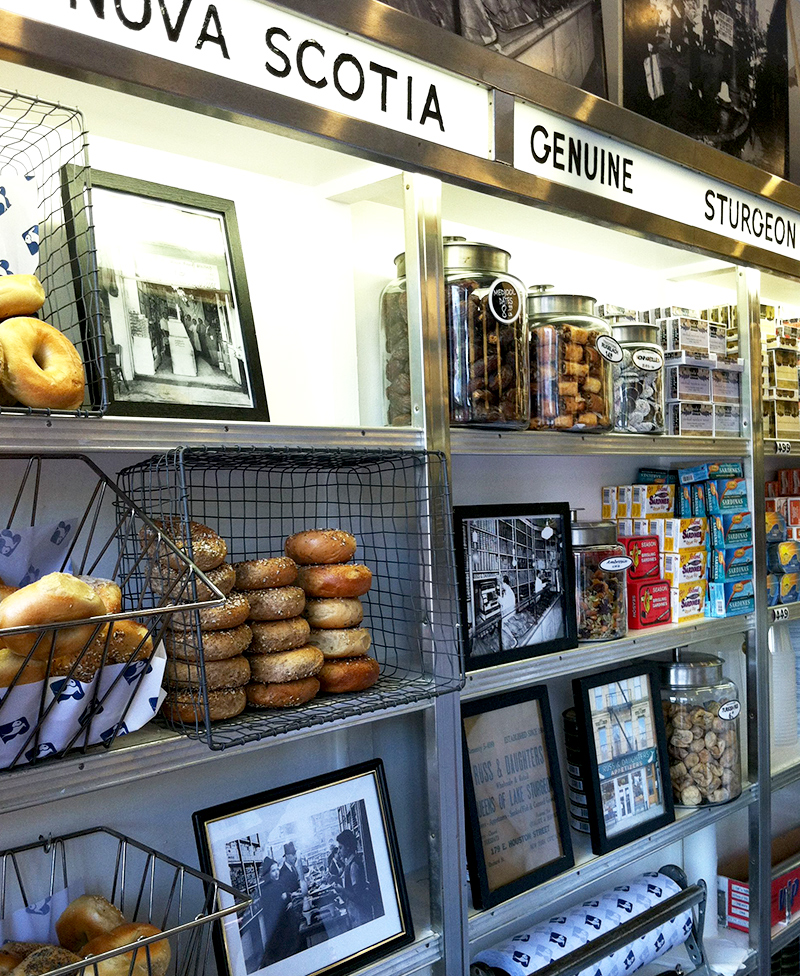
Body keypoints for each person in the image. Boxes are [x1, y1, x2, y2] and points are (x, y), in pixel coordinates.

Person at [257, 856, 294, 966]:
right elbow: (281, 905)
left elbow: (287, 895)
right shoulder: (268, 889)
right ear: (267, 873)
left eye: (277, 869)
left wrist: (287, 898)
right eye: (273, 871)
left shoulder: (275, 884)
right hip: (280, 931)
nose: (277, 872)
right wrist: (287, 899)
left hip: (283, 927)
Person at [335, 829, 376, 928]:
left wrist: (341, 889)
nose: (338, 851)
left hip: (361, 915)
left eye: (340, 848)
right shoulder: (349, 863)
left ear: (348, 847)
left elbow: (357, 896)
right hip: (355, 912)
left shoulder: (353, 865)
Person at [498, 575, 517, 649]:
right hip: (508, 613)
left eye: (502, 583)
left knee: (505, 628)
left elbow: (503, 602)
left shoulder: (508, 592)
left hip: (508, 614)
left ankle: (513, 641)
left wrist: (498, 598)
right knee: (505, 628)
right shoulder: (508, 591)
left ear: (505, 583)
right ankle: (512, 641)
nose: (501, 585)